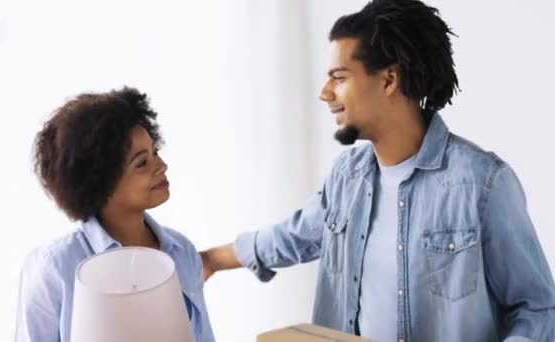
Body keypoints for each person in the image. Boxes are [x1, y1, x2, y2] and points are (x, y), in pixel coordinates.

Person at [200, 1, 555, 341]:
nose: (325, 93)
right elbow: (295, 236)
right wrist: (210, 260)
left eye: (339, 77)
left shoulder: (483, 183)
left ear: (388, 80)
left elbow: (538, 307)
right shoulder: (347, 178)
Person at [15, 87, 215, 342]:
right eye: (142, 163)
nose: (162, 166)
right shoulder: (54, 267)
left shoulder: (182, 252)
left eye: (156, 153)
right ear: (101, 181)